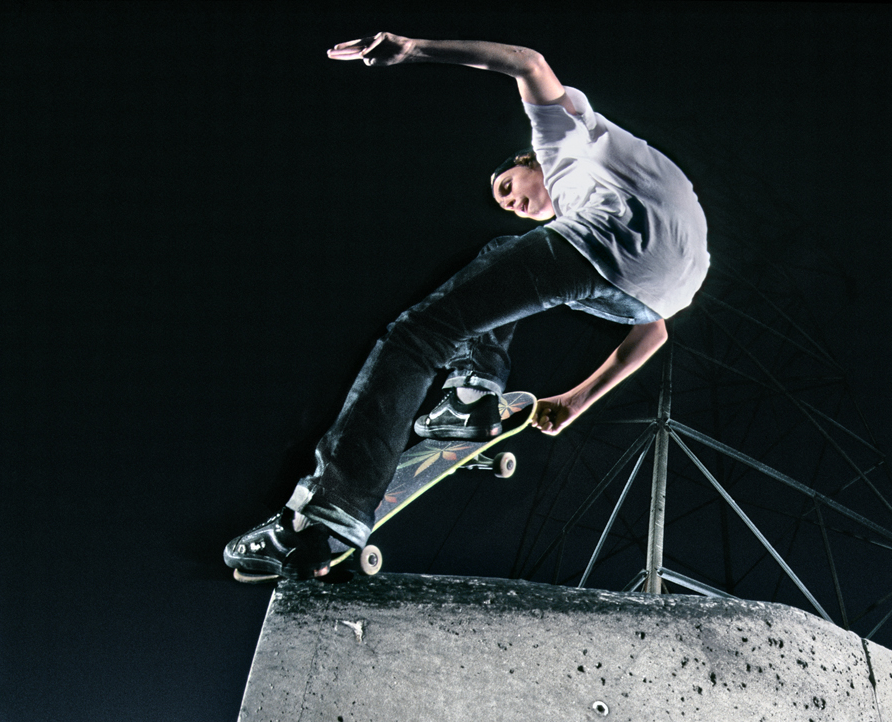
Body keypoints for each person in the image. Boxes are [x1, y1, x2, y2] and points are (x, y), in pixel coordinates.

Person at [226, 32, 709, 579]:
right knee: (503, 264)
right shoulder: (593, 189)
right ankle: (471, 397)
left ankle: (325, 515)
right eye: (511, 204)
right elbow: (653, 334)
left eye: (509, 186)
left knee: (418, 336)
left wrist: (415, 50)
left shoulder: (560, 141)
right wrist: (575, 402)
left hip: (614, 242)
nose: (515, 203)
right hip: (656, 289)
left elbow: (527, 62)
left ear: (529, 162)